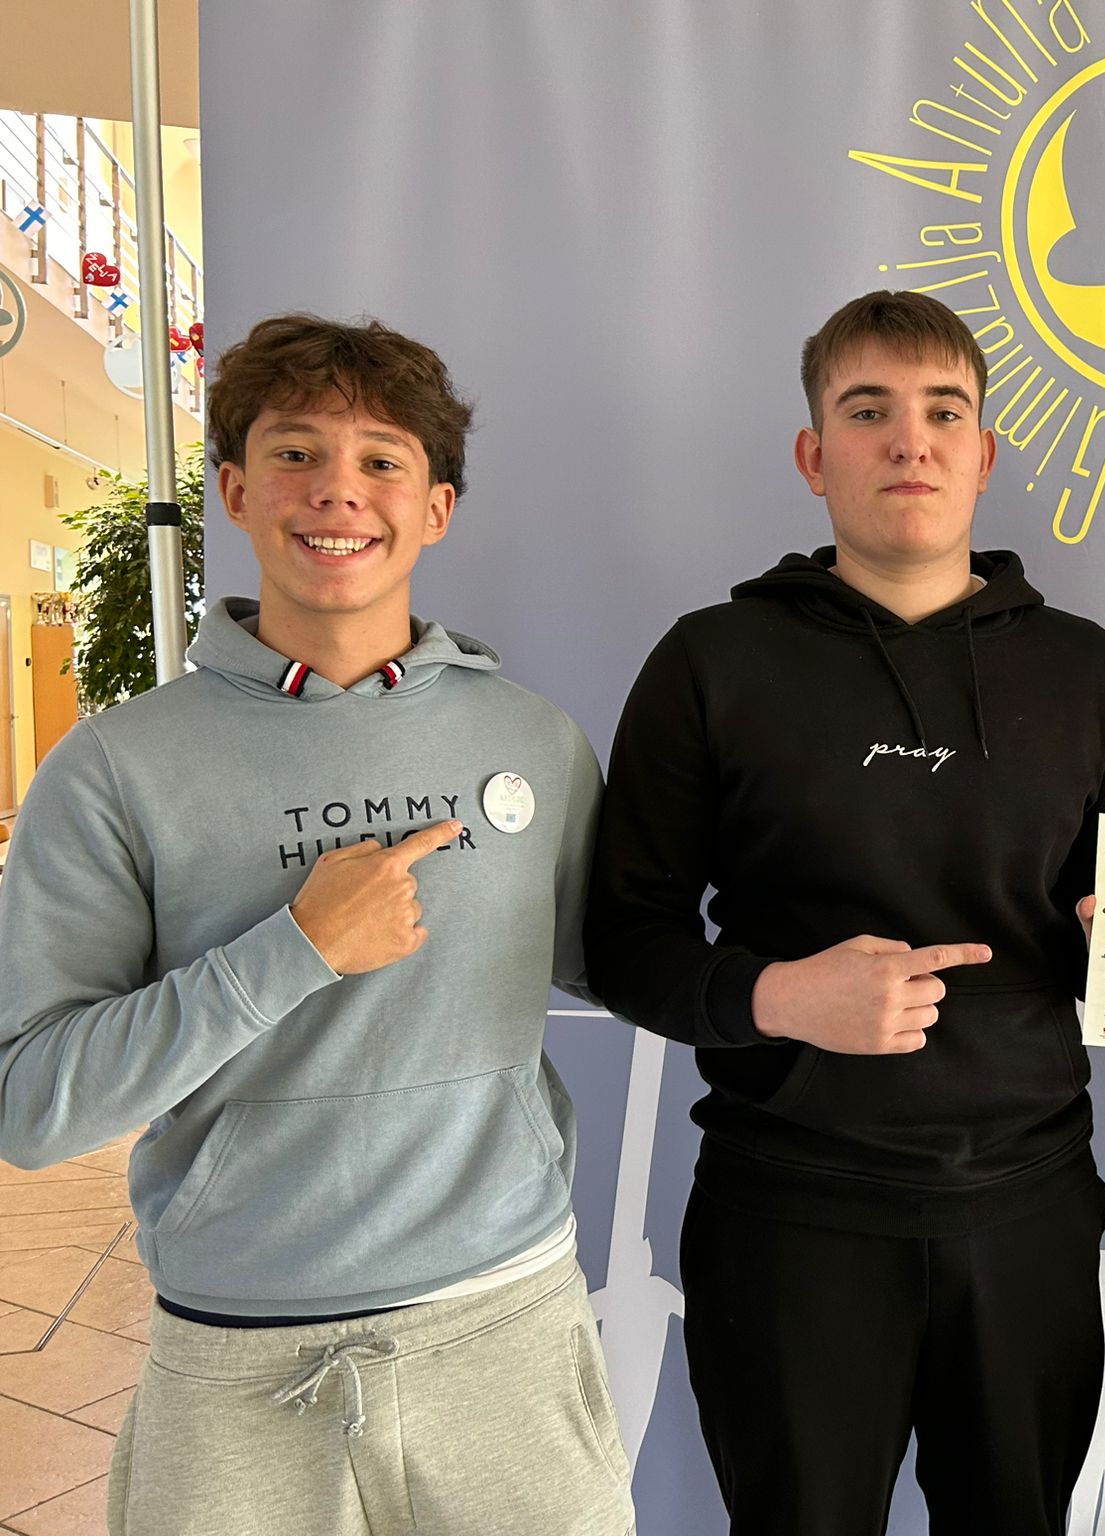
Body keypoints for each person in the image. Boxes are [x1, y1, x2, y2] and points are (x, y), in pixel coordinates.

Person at [585, 289, 1105, 1536]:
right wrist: (782, 997)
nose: (908, 442)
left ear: (983, 453)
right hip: (789, 1215)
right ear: (813, 453)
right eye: (867, 411)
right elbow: (622, 943)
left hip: (1027, 1211)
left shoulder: (1086, 671)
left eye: (941, 413)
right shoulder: (710, 660)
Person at [0, 315, 634, 1535]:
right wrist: (288, 956)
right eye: (295, 453)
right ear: (236, 489)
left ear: (435, 508)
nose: (337, 490)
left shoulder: (533, 741)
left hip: (504, 1323)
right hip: (239, 1357)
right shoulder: (116, 769)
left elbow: (620, 964)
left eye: (381, 460)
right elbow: (32, 1108)